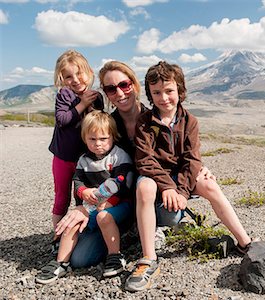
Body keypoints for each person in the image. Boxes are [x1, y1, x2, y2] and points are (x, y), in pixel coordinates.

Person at [54, 61, 213, 268]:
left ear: (135, 85)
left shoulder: (155, 119)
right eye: (111, 89)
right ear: (106, 93)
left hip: (150, 197)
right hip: (112, 203)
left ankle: (149, 228)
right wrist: (81, 206)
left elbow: (181, 152)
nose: (119, 93)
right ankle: (124, 230)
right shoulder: (106, 128)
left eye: (124, 85)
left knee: (170, 214)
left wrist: (201, 168)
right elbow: (85, 166)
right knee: (81, 259)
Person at [124, 61, 253, 292]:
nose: (163, 98)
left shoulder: (190, 121)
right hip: (155, 177)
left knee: (210, 185)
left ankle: (245, 242)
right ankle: (148, 258)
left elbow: (192, 160)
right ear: (150, 95)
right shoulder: (145, 122)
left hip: (180, 178)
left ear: (180, 91)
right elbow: (144, 160)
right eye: (156, 93)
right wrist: (168, 188)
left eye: (169, 91)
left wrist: (182, 190)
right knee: (144, 188)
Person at [36, 111, 133, 284]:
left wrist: (111, 201)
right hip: (93, 205)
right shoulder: (83, 160)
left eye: (103, 139)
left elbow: (123, 183)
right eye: (92, 139)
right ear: (85, 138)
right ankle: (61, 262)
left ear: (113, 136)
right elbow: (78, 181)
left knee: (104, 217)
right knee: (73, 221)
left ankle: (115, 256)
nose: (98, 144)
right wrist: (83, 192)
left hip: (118, 206)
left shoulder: (119, 156)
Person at [48, 49, 103, 252]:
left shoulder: (96, 97)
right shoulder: (65, 94)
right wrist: (82, 104)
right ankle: (57, 236)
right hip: (63, 157)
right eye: (68, 76)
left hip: (84, 159)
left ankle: (80, 232)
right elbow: (62, 120)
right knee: (62, 197)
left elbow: (99, 123)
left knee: (82, 196)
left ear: (88, 72)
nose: (75, 79)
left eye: (79, 73)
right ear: (61, 79)